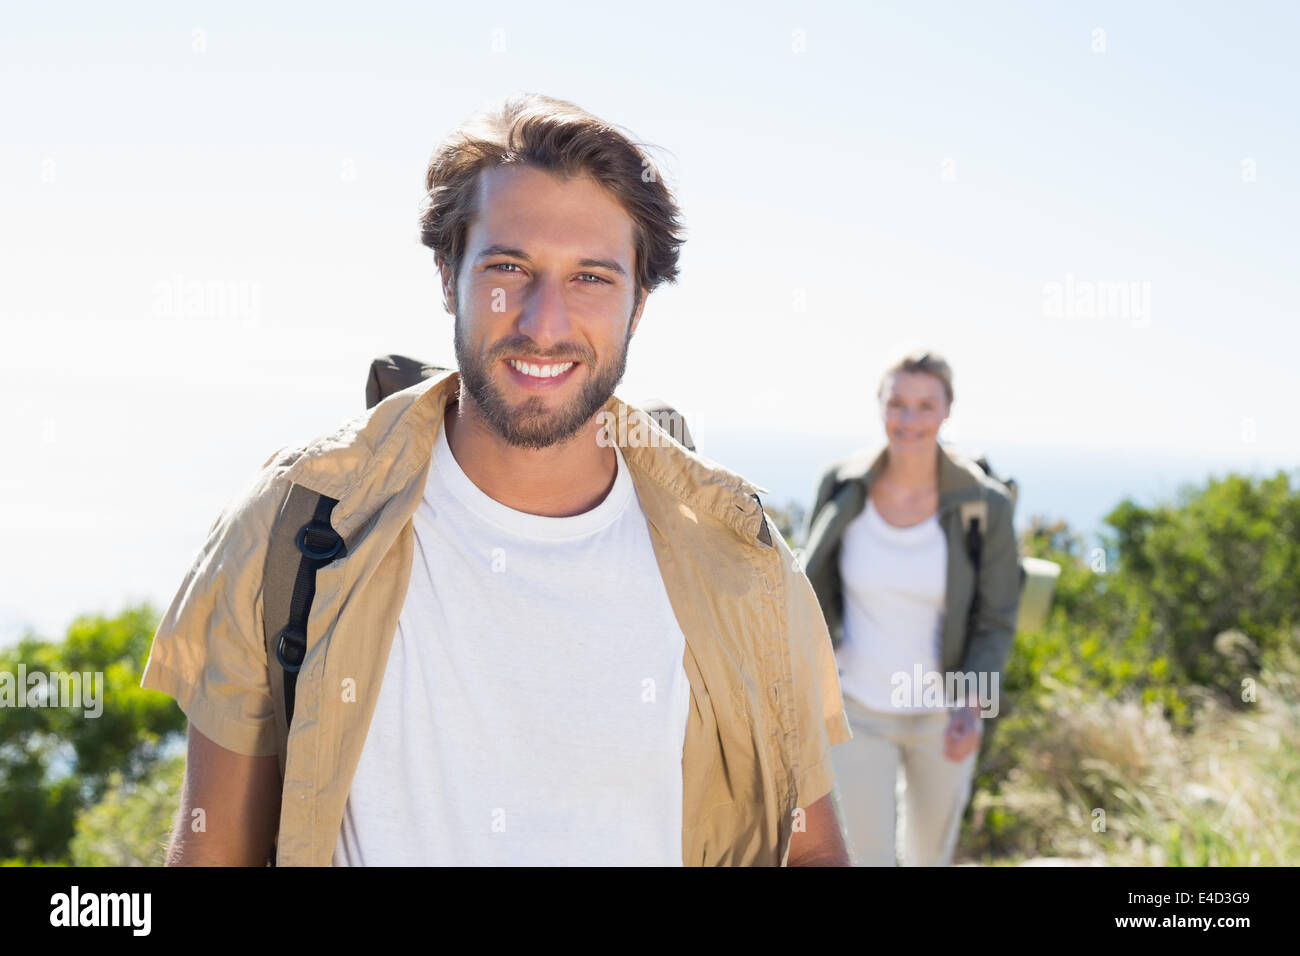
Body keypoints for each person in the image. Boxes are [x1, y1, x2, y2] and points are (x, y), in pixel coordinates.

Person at [139, 92, 851, 866]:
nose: (544, 322)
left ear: (639, 305)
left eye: (592, 278)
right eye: (510, 267)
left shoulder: (740, 558)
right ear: (449, 277)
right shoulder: (300, 523)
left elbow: (809, 850)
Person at [800, 350, 1020, 866]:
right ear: (880, 407)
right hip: (853, 712)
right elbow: (805, 587)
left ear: (946, 411)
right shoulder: (841, 485)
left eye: (925, 405)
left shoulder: (984, 504)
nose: (909, 419)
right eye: (897, 403)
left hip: (943, 717)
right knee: (865, 858)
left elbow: (996, 619)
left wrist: (973, 705)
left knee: (928, 858)